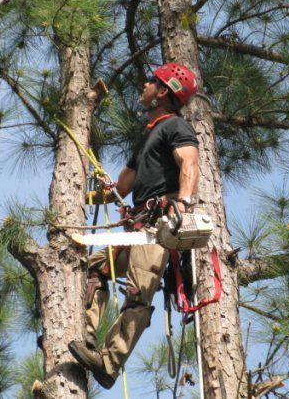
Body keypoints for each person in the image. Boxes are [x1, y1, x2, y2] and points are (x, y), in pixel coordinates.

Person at [69, 63, 200, 389]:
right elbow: (121, 187)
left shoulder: (176, 126)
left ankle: (109, 364)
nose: (144, 84)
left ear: (164, 91)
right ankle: (87, 333)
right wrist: (79, 197)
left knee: (139, 292)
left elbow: (190, 163)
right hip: (139, 225)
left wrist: (181, 204)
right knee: (94, 268)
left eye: (152, 81)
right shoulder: (147, 138)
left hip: (160, 224)